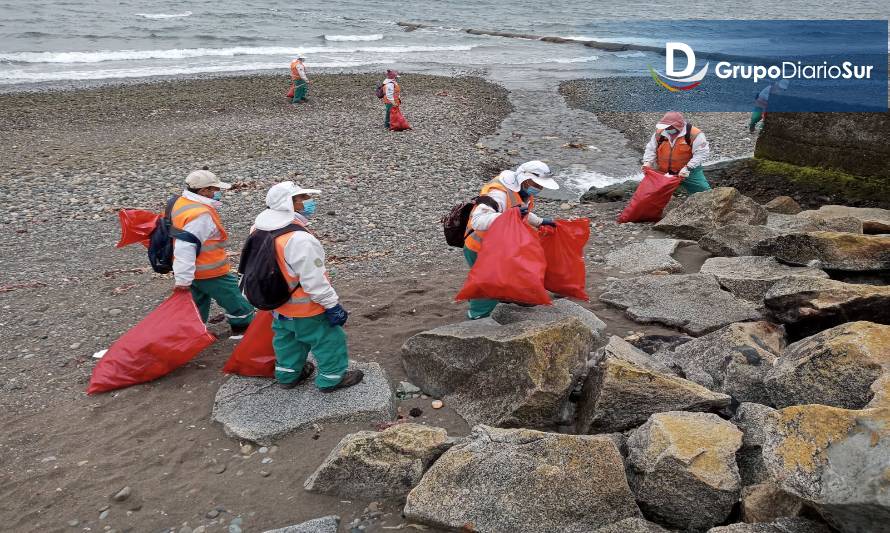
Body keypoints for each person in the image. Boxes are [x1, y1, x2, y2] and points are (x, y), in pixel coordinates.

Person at [252, 181, 363, 391]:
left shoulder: (259, 228)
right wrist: (332, 305)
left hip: (278, 304)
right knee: (329, 340)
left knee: (286, 339)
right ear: (290, 204)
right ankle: (332, 379)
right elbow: (314, 280)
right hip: (306, 307)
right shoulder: (299, 239)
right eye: (301, 199)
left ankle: (287, 376)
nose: (307, 202)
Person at [462, 160, 558, 320]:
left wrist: (539, 221)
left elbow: (519, 212)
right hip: (480, 248)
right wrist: (510, 216)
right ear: (525, 180)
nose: (540, 189)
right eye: (537, 184)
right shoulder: (497, 193)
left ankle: (507, 296)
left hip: (499, 247)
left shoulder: (523, 191)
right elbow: (478, 220)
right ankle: (477, 318)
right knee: (489, 286)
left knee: (510, 275)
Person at [171, 169, 255, 338]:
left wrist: (184, 277)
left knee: (197, 304)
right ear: (203, 191)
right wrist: (183, 280)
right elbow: (185, 247)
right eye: (214, 189)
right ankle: (243, 330)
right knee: (237, 303)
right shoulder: (200, 215)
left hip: (194, 271)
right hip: (210, 272)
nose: (217, 193)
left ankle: (191, 336)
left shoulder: (180, 203)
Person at [642, 111, 711, 194]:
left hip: (688, 172)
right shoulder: (659, 133)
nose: (666, 129)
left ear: (677, 126)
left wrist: (688, 167)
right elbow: (651, 148)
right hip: (663, 171)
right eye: (665, 127)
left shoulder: (694, 134)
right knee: (650, 193)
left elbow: (701, 153)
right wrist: (648, 162)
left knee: (703, 191)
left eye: (669, 127)